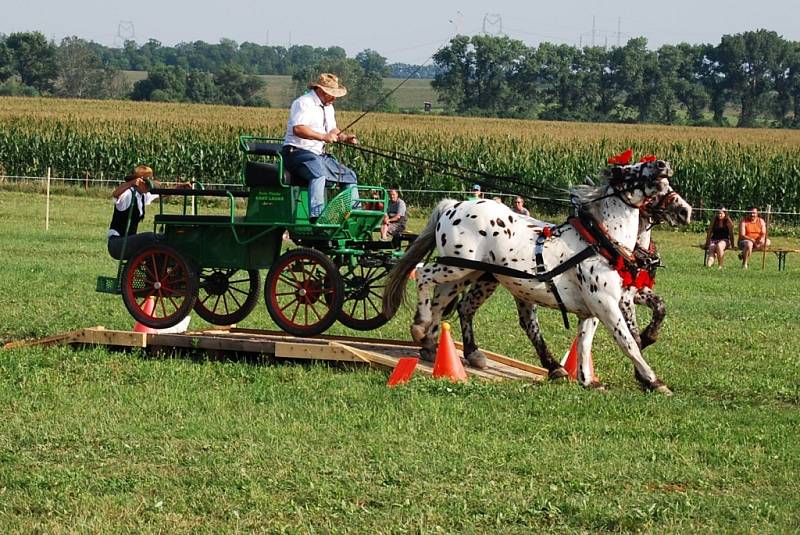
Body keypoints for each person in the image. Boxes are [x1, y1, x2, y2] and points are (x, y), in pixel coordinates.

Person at [281, 73, 359, 223]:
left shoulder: (329, 107)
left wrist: (344, 137)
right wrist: (323, 137)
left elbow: (333, 129)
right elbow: (298, 129)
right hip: (297, 153)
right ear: (322, 91)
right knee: (318, 173)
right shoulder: (304, 103)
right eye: (332, 94)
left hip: (317, 155)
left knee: (349, 175)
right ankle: (317, 215)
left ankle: (354, 214)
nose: (335, 98)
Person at [107, 165, 190, 260]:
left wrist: (178, 188)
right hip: (118, 243)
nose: (149, 188)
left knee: (162, 238)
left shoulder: (142, 195)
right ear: (139, 182)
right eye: (147, 184)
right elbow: (115, 195)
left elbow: (161, 194)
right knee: (150, 237)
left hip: (128, 241)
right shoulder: (128, 194)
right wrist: (130, 184)